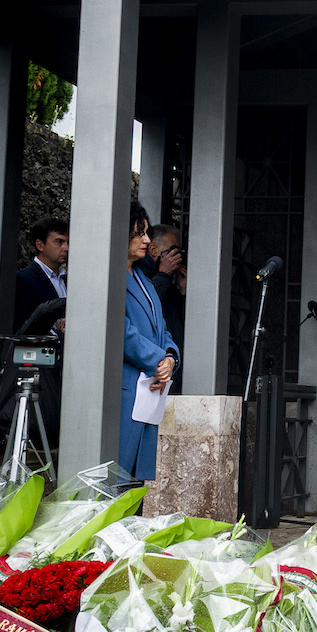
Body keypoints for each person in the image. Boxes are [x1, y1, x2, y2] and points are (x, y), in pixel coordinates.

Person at [120, 202, 180, 483]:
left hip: (148, 389)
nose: (146, 240)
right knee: (117, 479)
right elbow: (121, 330)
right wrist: (159, 362)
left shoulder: (143, 277)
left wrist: (170, 358)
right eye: (139, 234)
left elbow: (162, 329)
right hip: (125, 390)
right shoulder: (110, 276)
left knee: (135, 484)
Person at [139, 223, 187, 356]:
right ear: (153, 250)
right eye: (172, 250)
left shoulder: (168, 280)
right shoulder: (139, 273)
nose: (176, 255)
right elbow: (146, 305)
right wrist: (163, 274)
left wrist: (182, 289)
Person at [14, 216, 68, 332]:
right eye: (59, 242)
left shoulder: (70, 280)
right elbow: (22, 328)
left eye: (68, 242)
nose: (66, 248)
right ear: (40, 245)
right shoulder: (24, 280)